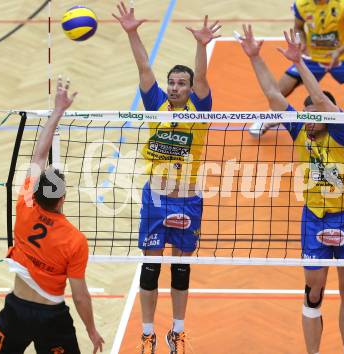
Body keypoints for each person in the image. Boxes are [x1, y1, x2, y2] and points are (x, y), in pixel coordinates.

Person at [239, 25, 344, 354]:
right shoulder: (299, 130)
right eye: (306, 114)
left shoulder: (342, 134)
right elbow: (274, 96)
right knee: (314, 289)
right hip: (314, 218)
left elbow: (322, 99)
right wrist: (255, 58)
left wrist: (301, 63)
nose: (309, 120)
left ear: (330, 117)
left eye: (316, 115)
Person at [113, 2, 220, 353]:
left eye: (181, 83)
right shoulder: (156, 102)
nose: (174, 87)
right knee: (149, 269)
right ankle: (147, 333)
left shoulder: (200, 111)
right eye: (172, 82)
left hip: (188, 198)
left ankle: (177, 331)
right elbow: (144, 67)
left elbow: (204, 79)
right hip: (156, 198)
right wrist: (132, 32)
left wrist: (201, 45)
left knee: (180, 270)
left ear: (190, 88)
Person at [0, 78, 104, 354]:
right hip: (51, 318)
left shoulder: (25, 203)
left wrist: (57, 111)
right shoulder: (75, 241)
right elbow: (80, 295)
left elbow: (39, 156)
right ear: (63, 198)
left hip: (15, 309)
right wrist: (91, 329)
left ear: (36, 191)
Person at [249, 0, 344, 140]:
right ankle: (271, 117)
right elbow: (299, 27)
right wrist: (301, 41)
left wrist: (340, 51)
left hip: (342, 58)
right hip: (312, 59)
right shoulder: (301, 4)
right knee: (279, 91)